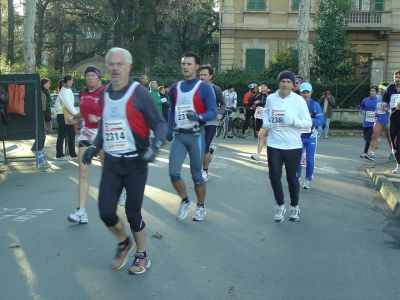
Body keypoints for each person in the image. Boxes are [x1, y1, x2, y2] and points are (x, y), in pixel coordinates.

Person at [81, 47, 167, 274]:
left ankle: (142, 255)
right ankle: (123, 243)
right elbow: (105, 124)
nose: (115, 68)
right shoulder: (104, 93)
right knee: (106, 212)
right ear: (107, 68)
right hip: (111, 162)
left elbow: (160, 124)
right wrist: (95, 146)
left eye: (120, 64)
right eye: (112, 64)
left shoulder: (139, 93)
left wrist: (155, 147)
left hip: (135, 163)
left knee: (132, 213)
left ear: (128, 67)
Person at [167, 52, 216, 221]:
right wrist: (168, 129)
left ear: (196, 67)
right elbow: (172, 109)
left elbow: (212, 112)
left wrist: (199, 117)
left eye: (189, 64)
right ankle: (185, 200)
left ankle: (200, 206)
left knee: (197, 175)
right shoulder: (175, 87)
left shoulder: (204, 88)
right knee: (173, 172)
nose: (185, 67)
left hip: (196, 136)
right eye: (183, 64)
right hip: (180, 136)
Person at [262, 71, 312, 222]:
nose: (285, 85)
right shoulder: (271, 98)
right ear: (279, 83)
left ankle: (294, 206)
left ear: (293, 84)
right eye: (283, 81)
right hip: (274, 144)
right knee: (274, 176)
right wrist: (265, 122)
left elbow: (308, 123)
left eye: (288, 82)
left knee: (292, 178)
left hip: (292, 146)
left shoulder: (298, 100)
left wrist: (293, 121)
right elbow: (266, 111)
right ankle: (280, 205)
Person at [66, 66, 105, 224]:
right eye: (87, 75)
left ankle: (120, 190)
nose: (89, 78)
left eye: (92, 75)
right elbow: (83, 110)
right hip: (87, 134)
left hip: (103, 133)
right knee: (83, 173)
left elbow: (115, 112)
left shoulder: (105, 92)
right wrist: (73, 116)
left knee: (107, 170)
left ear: (98, 78)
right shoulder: (82, 93)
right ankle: (81, 211)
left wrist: (99, 118)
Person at [198, 65, 225, 182]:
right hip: (198, 121)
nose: (202, 77)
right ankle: (210, 151)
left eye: (205, 75)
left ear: (210, 76)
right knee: (200, 148)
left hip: (211, 121)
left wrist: (220, 113)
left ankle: (204, 171)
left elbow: (223, 104)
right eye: (200, 75)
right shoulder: (196, 88)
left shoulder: (216, 89)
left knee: (204, 146)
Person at [296, 83, 324, 189]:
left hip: (311, 136)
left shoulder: (315, 105)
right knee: (297, 158)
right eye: (304, 92)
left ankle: (308, 179)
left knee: (309, 160)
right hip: (299, 136)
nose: (306, 95)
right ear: (300, 92)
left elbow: (321, 121)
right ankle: (298, 177)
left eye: (308, 92)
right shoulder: (296, 104)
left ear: (311, 92)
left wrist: (311, 121)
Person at [365, 84, 391, 161]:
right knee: (374, 135)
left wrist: (387, 109)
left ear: (386, 90)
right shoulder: (378, 98)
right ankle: (372, 153)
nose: (381, 90)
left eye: (382, 89)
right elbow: (377, 107)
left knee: (389, 138)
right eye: (380, 89)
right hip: (379, 120)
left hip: (388, 120)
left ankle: (393, 152)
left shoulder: (390, 97)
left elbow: (394, 107)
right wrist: (376, 112)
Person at [54, 75, 78, 160]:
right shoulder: (65, 90)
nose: (72, 82)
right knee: (62, 134)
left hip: (66, 114)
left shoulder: (66, 90)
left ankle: (72, 153)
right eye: (72, 80)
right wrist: (76, 114)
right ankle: (59, 154)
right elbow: (68, 104)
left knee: (72, 134)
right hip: (63, 115)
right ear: (68, 81)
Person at [31, 78, 52, 153]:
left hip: (45, 115)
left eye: (49, 83)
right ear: (42, 84)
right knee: (42, 134)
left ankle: (39, 149)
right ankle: (38, 149)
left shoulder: (46, 93)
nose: (48, 85)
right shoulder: (41, 93)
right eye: (46, 83)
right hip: (42, 115)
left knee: (43, 133)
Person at [249, 81, 268, 161]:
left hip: (266, 117)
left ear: (267, 88)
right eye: (261, 85)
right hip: (258, 116)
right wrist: (254, 102)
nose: (263, 87)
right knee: (258, 135)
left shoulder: (270, 96)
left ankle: (258, 154)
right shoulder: (257, 95)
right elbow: (249, 103)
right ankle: (271, 148)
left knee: (261, 135)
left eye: (264, 86)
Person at [359, 86, 378, 159]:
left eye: (374, 91)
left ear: (376, 92)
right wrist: (362, 111)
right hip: (366, 122)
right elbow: (361, 107)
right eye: (371, 91)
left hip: (373, 123)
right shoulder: (365, 100)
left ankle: (365, 152)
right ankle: (375, 142)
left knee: (367, 138)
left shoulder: (378, 100)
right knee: (365, 137)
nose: (372, 92)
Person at [389, 102, 400, 174]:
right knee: (394, 145)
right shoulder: (390, 90)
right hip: (395, 114)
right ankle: (399, 165)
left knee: (398, 143)